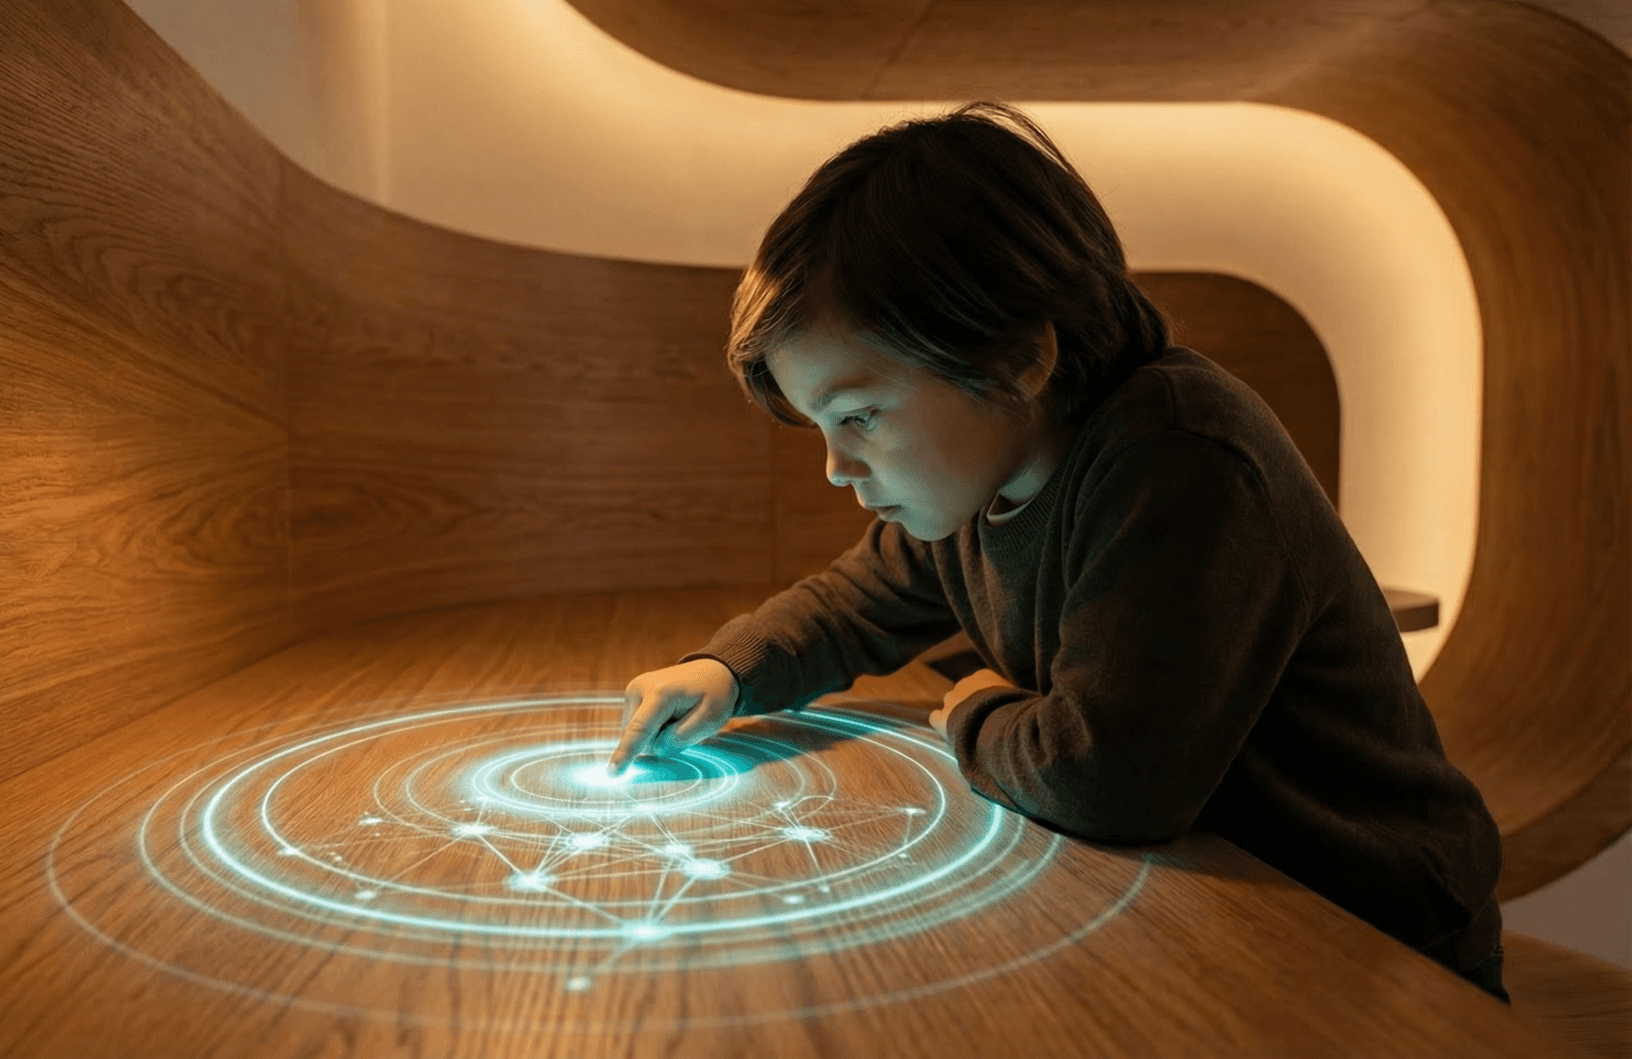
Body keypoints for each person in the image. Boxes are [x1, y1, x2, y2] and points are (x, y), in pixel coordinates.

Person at [603, 102, 1509, 1001]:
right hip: (1209, 903)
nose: (838, 466)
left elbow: (1108, 782)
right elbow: (856, 601)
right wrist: (726, 668)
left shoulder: (1180, 453)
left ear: (1016, 360)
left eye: (860, 416)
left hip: (1376, 934)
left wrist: (976, 713)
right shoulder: (975, 481)